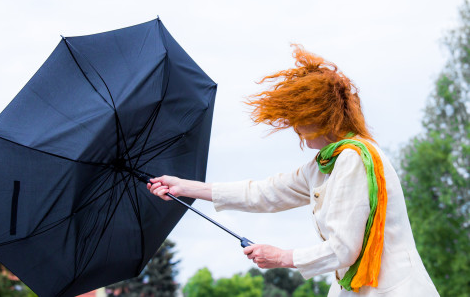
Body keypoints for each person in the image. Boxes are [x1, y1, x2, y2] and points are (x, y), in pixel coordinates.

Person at [146, 45, 439, 296]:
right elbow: (263, 193)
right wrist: (186, 187)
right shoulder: (326, 164)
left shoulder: (353, 159)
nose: (295, 128)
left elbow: (344, 249)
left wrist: (282, 257)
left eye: (299, 117)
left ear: (321, 115)